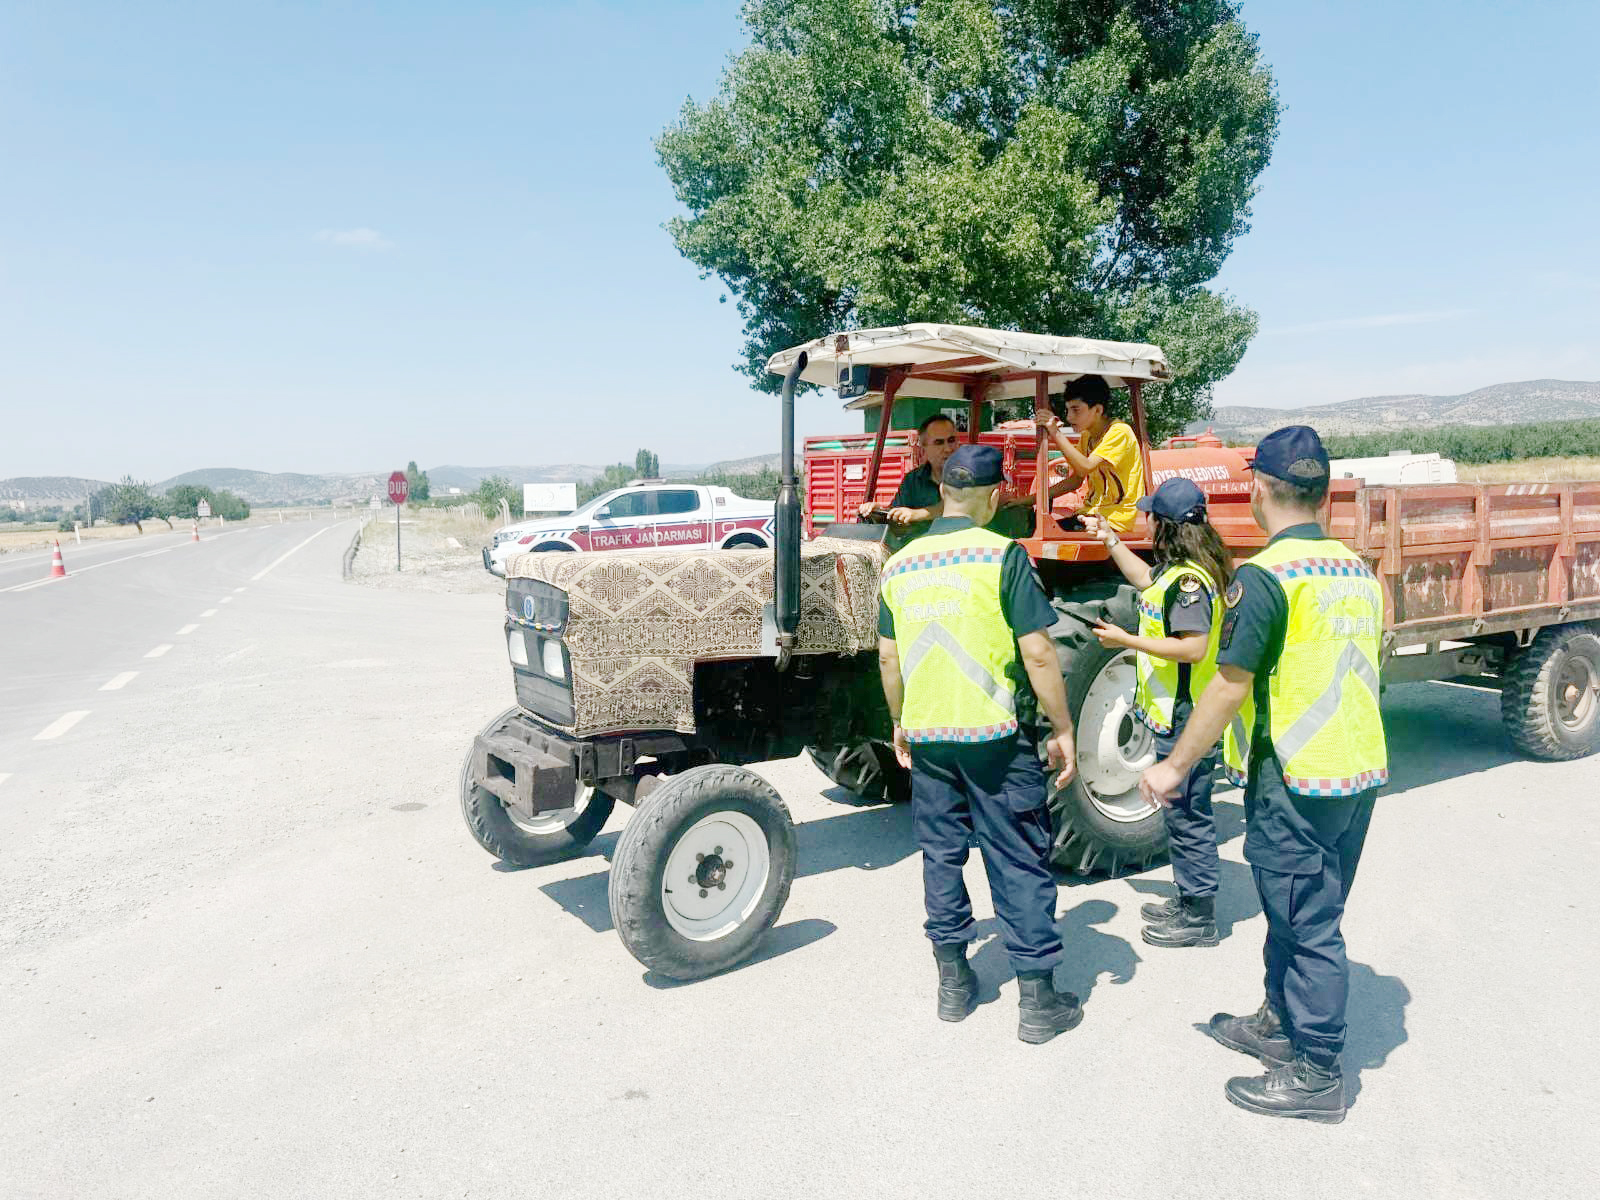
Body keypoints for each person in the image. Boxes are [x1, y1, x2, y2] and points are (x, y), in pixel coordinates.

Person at [1139, 426, 1387, 1124]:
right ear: (1323, 492)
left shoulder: (1267, 576)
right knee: (1299, 908)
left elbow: (1227, 684)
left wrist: (1174, 765)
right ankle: (1278, 1021)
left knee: (1308, 922)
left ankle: (1317, 1071)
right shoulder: (1355, 571)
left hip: (1297, 776)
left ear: (1258, 490)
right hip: (1356, 769)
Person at [877, 443, 1084, 1044]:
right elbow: (1039, 650)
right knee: (1016, 853)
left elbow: (889, 656)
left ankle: (953, 984)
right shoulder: (1002, 557)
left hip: (931, 737)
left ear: (941, 493)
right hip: (996, 735)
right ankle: (1038, 1001)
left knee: (941, 854)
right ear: (994, 498)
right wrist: (1063, 727)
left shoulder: (901, 564)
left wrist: (900, 720)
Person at [1082, 476, 1231, 949]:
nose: (1143, 521)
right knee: (1178, 813)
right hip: (1174, 714)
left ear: (1164, 525)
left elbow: (1192, 648)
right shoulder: (1175, 572)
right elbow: (1144, 581)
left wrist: (1125, 640)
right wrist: (1109, 539)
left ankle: (1199, 915)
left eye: (1149, 515)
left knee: (1189, 815)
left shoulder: (1189, 581)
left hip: (1189, 715)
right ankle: (1188, 897)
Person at [1033, 376, 1146, 533]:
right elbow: (1075, 481)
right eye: (1068, 410)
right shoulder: (1087, 437)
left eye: (1076, 410)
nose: (1069, 417)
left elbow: (1084, 467)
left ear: (1098, 410)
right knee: (1036, 529)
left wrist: (1055, 432)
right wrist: (1030, 500)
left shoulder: (1120, 432)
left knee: (1045, 536)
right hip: (1089, 516)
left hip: (1113, 521)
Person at [858, 413, 961, 544]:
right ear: (924, 448)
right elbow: (897, 519)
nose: (947, 448)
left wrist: (917, 514)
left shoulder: (970, 475)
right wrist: (880, 511)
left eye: (951, 440)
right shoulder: (912, 481)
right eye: (939, 442)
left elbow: (961, 507)